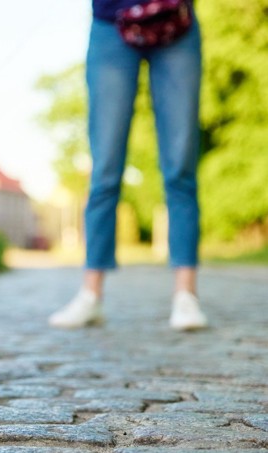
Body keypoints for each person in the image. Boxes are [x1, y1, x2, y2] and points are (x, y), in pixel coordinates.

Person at [49, 0, 208, 331]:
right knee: (104, 168)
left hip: (176, 22)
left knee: (180, 166)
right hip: (112, 24)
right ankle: (90, 295)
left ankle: (186, 295)